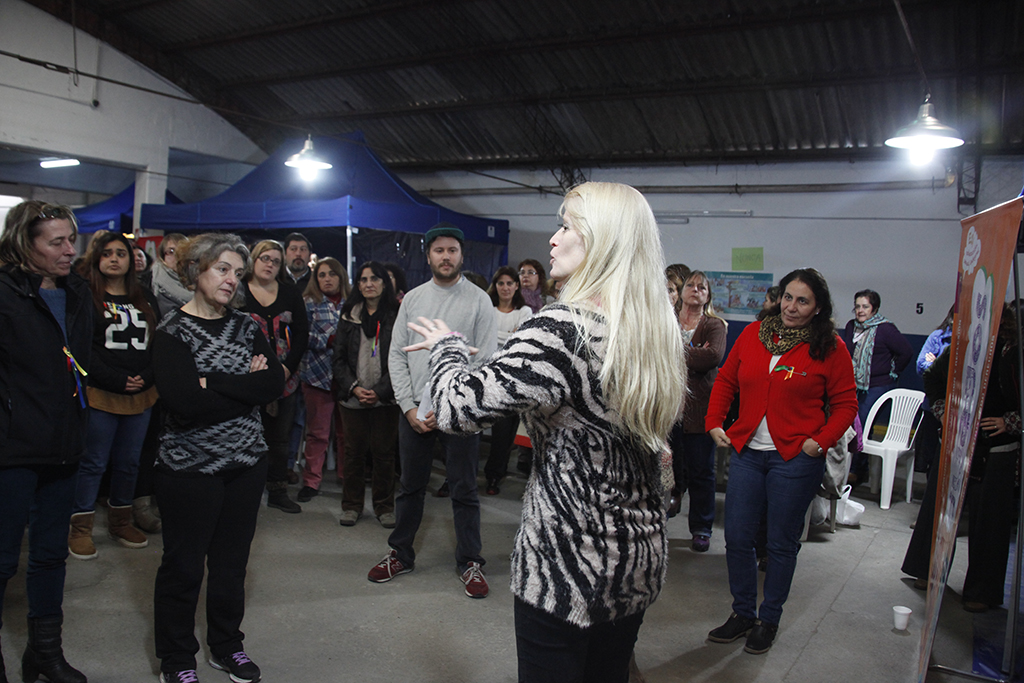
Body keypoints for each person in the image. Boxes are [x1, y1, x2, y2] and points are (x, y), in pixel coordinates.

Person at [401, 182, 685, 681]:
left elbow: (456, 409)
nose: (553, 239)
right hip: (635, 558)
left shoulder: (561, 331)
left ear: (600, 239)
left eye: (566, 226)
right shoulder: (651, 328)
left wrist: (447, 348)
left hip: (566, 566)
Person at [151, 233, 284, 683]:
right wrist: (243, 386)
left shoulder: (247, 326)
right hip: (188, 470)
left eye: (238, 273)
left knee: (231, 564)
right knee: (184, 567)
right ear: (195, 270)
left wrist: (212, 381)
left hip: (246, 465)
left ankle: (227, 645)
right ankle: (176, 658)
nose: (232, 280)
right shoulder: (171, 332)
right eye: (222, 269)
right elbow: (184, 403)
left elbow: (273, 384)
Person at [706, 268, 857, 655]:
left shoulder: (830, 347)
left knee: (780, 544)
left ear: (818, 307)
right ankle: (743, 613)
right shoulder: (755, 334)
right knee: (737, 537)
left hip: (795, 460)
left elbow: (846, 405)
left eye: (802, 301)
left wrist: (819, 443)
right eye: (788, 297)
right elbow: (726, 380)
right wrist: (714, 420)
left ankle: (768, 619)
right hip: (747, 454)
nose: (792, 306)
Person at [366, 223, 496, 598]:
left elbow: (486, 359)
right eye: (439, 250)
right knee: (410, 487)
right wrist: (408, 406)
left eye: (452, 250)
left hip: (461, 413)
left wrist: (454, 406)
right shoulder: (413, 299)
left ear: (461, 255)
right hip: (416, 413)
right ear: (428, 257)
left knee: (464, 489)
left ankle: (470, 561)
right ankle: (400, 554)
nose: (446, 256)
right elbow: (396, 355)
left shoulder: (479, 300)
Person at [0, 201, 90, 683]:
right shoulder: (5, 292)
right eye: (56, 242)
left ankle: (44, 653)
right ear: (24, 243)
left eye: (70, 239)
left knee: (52, 555)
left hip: (64, 443)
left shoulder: (77, 291)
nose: (69, 250)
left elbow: (85, 363)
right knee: (2, 559)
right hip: (13, 447)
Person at [903, 304, 1020, 612]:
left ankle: (982, 590)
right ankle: (928, 571)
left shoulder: (1014, 352)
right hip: (957, 442)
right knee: (939, 511)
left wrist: (1010, 422)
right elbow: (932, 376)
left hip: (996, 448)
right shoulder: (965, 345)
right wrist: (943, 411)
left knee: (989, 522)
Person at [68, 232, 160, 560]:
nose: (114, 259)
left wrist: (146, 377)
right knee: (93, 462)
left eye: (121, 253)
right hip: (101, 393)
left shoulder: (144, 296)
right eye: (107, 253)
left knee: (129, 462)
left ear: (131, 259)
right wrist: (116, 380)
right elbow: (81, 347)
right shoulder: (85, 295)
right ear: (96, 258)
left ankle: (120, 522)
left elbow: (158, 343)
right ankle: (80, 528)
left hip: (141, 395)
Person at [242, 240, 309, 514]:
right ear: (253, 259)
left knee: (281, 438)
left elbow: (302, 333)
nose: (270, 264)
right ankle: (246, 492)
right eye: (265, 258)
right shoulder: (238, 291)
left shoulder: (290, 292)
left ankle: (278, 490)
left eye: (276, 261)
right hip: (247, 377)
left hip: (285, 377)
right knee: (247, 435)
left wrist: (287, 368)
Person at [333, 261, 401, 527]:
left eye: (374, 279)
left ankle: (384, 507)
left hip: (386, 398)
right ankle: (351, 506)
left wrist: (380, 391)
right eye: (363, 279)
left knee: (384, 454)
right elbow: (338, 359)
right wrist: (354, 387)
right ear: (358, 285)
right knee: (354, 453)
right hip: (353, 397)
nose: (369, 284)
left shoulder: (397, 315)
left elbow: (401, 360)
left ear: (385, 283)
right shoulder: (348, 314)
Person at [668, 270, 726, 552]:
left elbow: (713, 356)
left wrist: (671, 351)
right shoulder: (667, 319)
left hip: (699, 410)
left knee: (701, 471)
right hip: (666, 408)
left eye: (701, 287)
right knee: (665, 468)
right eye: (690, 285)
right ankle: (660, 516)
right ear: (682, 292)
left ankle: (701, 528)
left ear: (708, 295)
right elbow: (651, 349)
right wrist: (693, 352)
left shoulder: (714, 325)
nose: (695, 289)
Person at [843, 289, 912, 484]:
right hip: (854, 383)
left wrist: (893, 372)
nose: (860, 310)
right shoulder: (851, 326)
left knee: (862, 423)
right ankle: (842, 466)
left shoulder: (885, 329)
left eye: (865, 307)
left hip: (878, 385)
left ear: (874, 308)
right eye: (857, 306)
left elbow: (906, 352)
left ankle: (857, 469)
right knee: (845, 421)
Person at [295, 258, 349, 502]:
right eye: (321, 275)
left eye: (332, 274)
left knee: (346, 434)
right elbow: (299, 335)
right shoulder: (308, 303)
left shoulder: (352, 303)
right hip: (317, 376)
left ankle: (347, 478)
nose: (327, 279)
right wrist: (328, 341)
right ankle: (311, 481)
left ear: (341, 276)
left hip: (347, 378)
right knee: (317, 434)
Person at [482, 266, 532, 495]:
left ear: (516, 286)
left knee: (502, 434)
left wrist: (497, 338)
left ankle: (494, 475)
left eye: (510, 283)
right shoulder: (487, 308)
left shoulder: (525, 311)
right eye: (501, 283)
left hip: (510, 380)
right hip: (484, 375)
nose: (505, 288)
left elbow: (520, 342)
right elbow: (486, 339)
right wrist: (507, 337)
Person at [913, 305, 954, 474]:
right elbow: (921, 366)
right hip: (934, 406)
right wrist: (936, 366)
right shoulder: (938, 336)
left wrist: (935, 362)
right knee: (931, 456)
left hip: (958, 407)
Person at [149, 233, 191, 315]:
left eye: (182, 251)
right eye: (171, 252)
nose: (177, 256)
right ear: (163, 257)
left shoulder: (199, 280)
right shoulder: (151, 280)